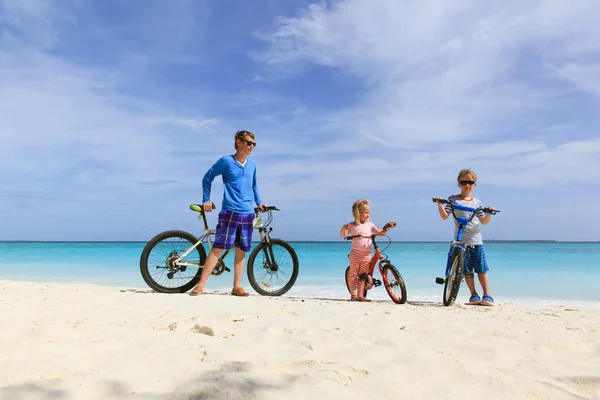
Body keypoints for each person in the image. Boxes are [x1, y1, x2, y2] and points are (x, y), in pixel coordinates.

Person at [189, 130, 266, 297]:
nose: (251, 146)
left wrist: (259, 202)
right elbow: (207, 177)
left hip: (247, 213)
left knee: (241, 250)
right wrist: (206, 199)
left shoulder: (252, 165)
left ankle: (237, 287)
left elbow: (254, 186)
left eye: (253, 144)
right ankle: (200, 286)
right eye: (248, 142)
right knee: (218, 248)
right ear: (238, 142)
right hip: (230, 211)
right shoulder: (226, 161)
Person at [434, 168, 496, 306]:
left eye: (470, 182)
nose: (467, 185)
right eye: (464, 182)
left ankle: (487, 295)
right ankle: (473, 295)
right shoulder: (453, 199)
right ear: (458, 184)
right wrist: (439, 204)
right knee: (466, 270)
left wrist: (490, 212)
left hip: (476, 239)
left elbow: (484, 221)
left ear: (475, 184)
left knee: (481, 269)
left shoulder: (477, 202)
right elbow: (444, 216)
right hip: (460, 239)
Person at [340, 199, 395, 302]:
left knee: (362, 275)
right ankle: (353, 294)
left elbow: (380, 233)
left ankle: (360, 295)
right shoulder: (352, 225)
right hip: (356, 254)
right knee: (353, 274)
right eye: (365, 213)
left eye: (368, 212)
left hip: (366, 254)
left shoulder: (370, 224)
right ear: (357, 213)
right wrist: (344, 228)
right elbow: (343, 235)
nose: (368, 215)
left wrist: (386, 228)